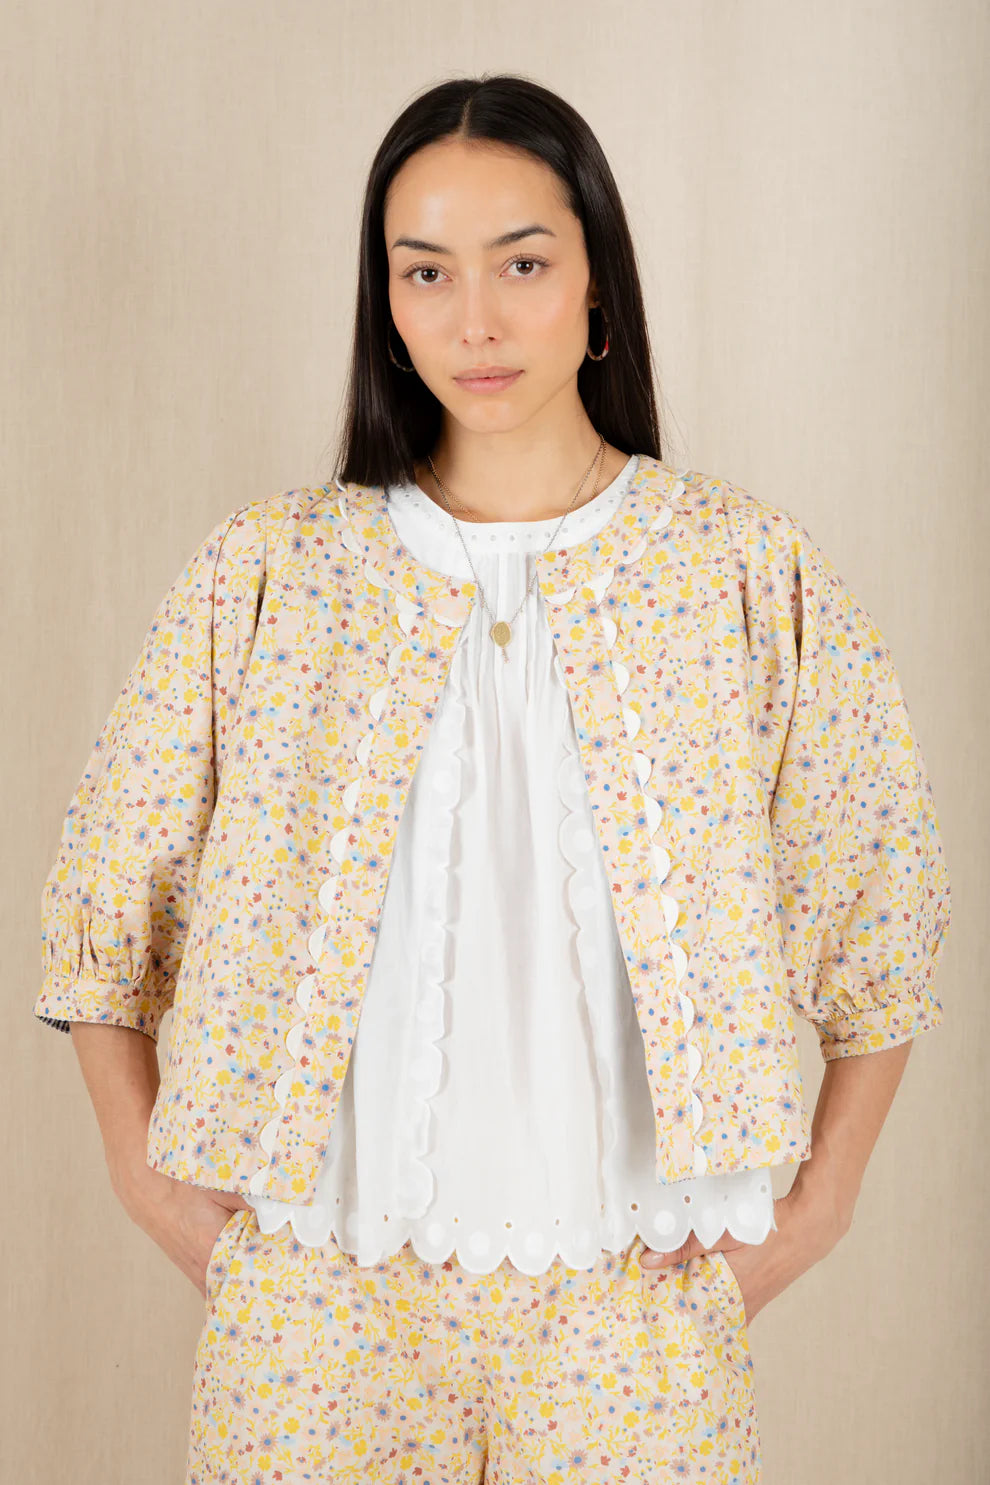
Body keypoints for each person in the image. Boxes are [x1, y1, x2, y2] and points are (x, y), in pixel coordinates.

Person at [36, 74, 952, 1485]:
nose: (475, 320)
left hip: (637, 1302)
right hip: (316, 1302)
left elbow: (880, 895)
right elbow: (105, 891)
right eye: (427, 273)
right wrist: (144, 1179)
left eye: (521, 264)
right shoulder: (273, 572)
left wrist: (819, 1205)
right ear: (387, 307)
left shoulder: (735, 568)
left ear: (597, 288)